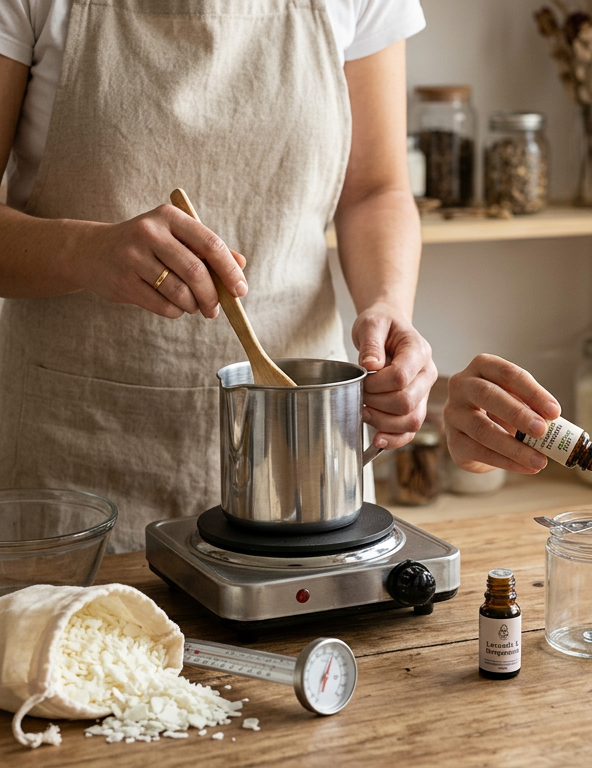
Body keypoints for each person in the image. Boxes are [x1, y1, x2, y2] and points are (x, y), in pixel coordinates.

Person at [0, 0, 436, 552]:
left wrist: (389, 308)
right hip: (75, 457)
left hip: (300, 460)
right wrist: (87, 252)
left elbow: (376, 191)